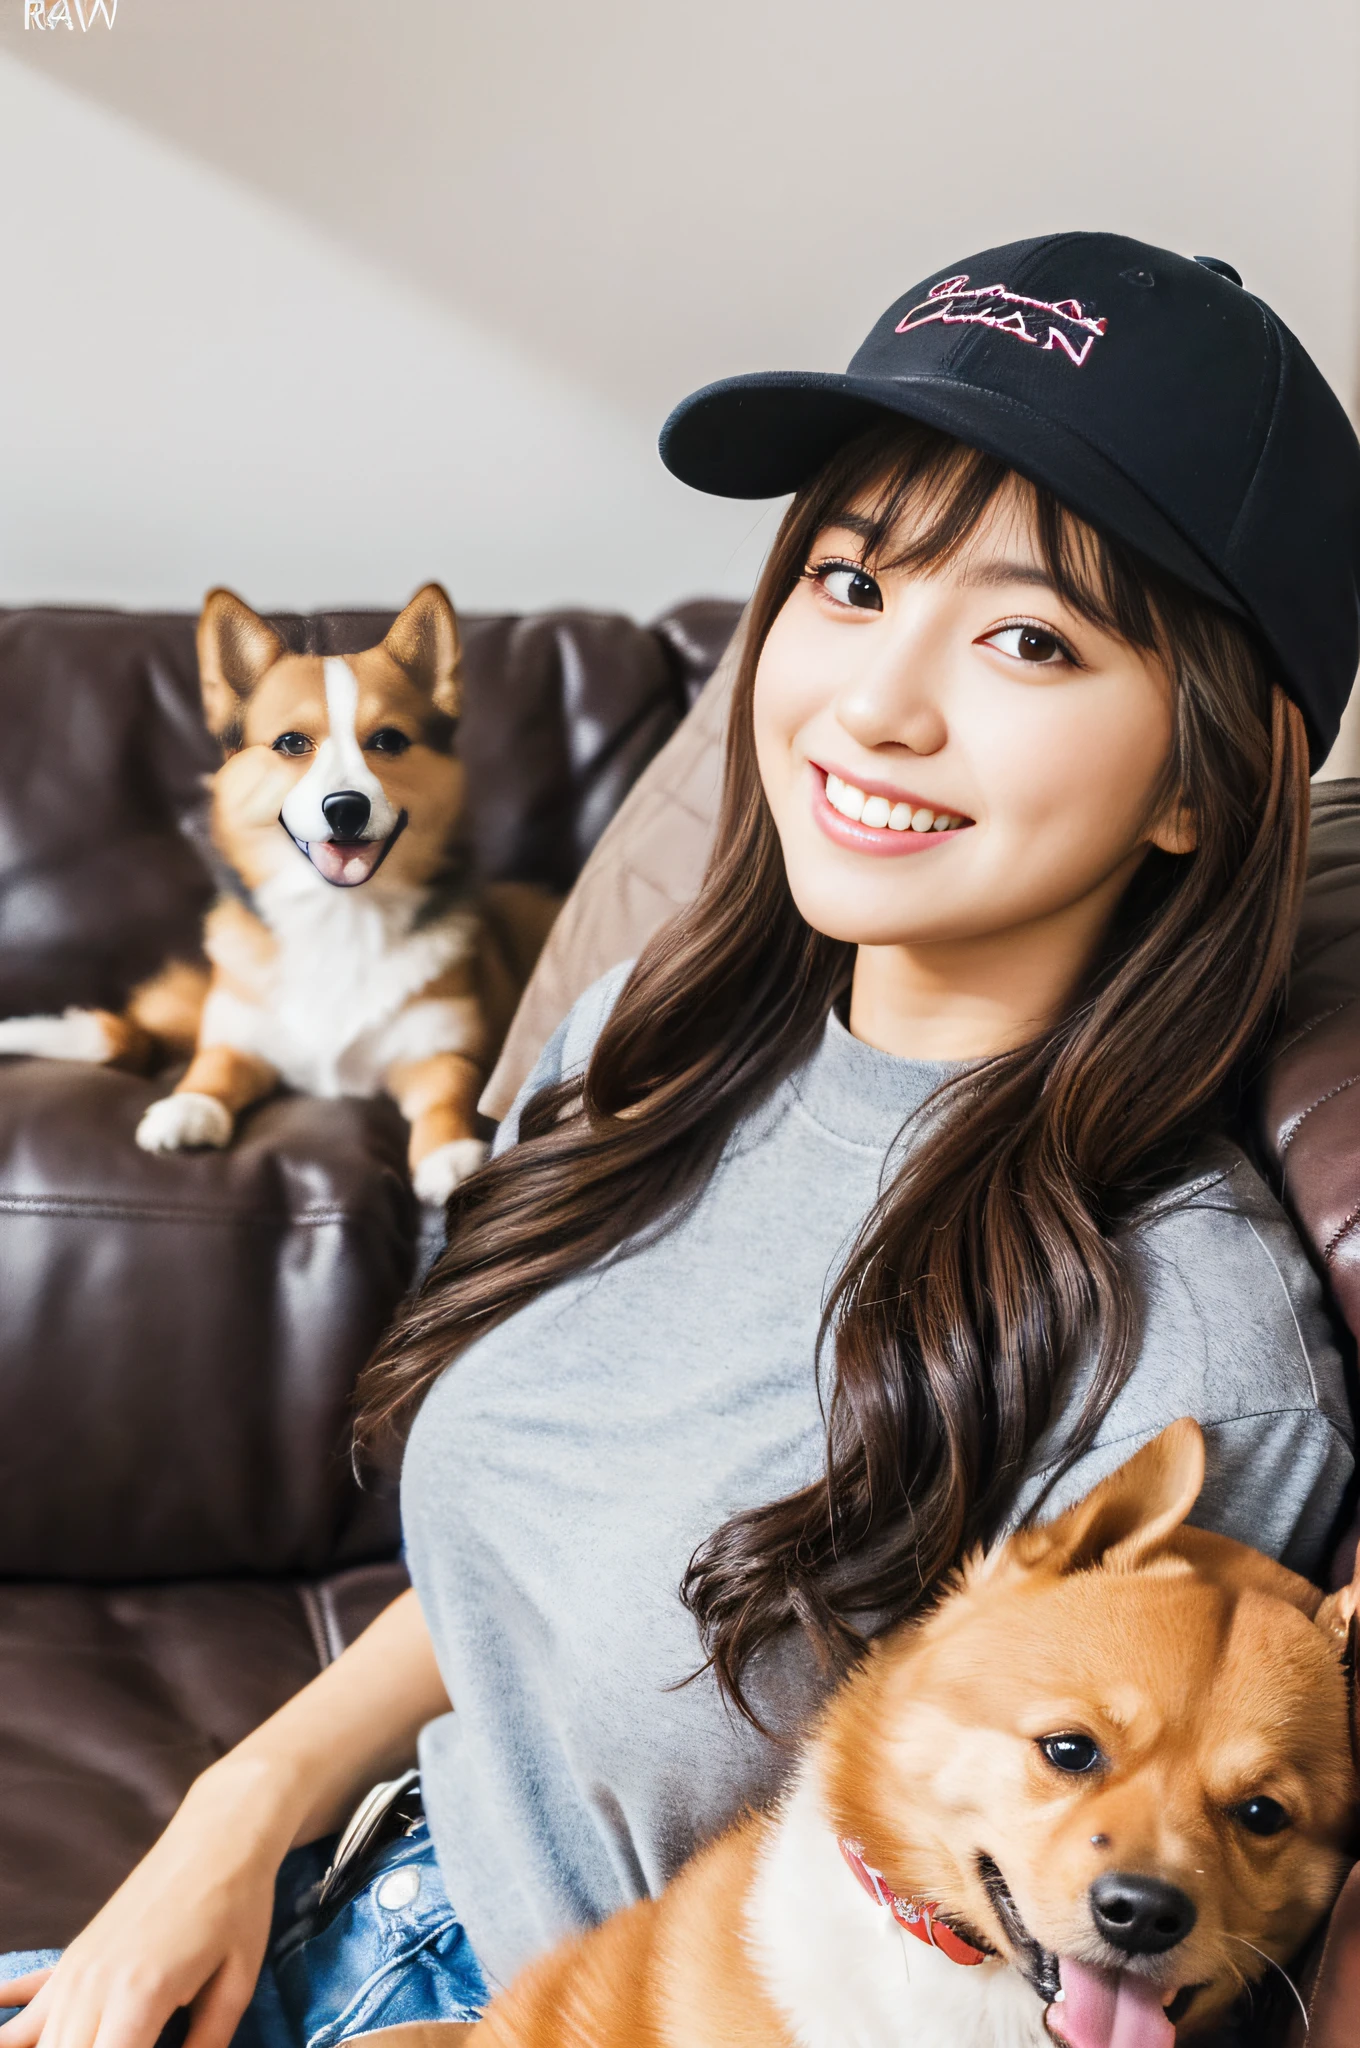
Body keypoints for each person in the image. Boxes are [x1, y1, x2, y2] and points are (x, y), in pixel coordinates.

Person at [2, 231, 1357, 2047]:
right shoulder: (659, 1026)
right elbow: (530, 1594)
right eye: (856, 580)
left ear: (1209, 773)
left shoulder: (1186, 1369)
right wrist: (228, 1818)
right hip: (334, 1911)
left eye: (1030, 636)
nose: (876, 700)